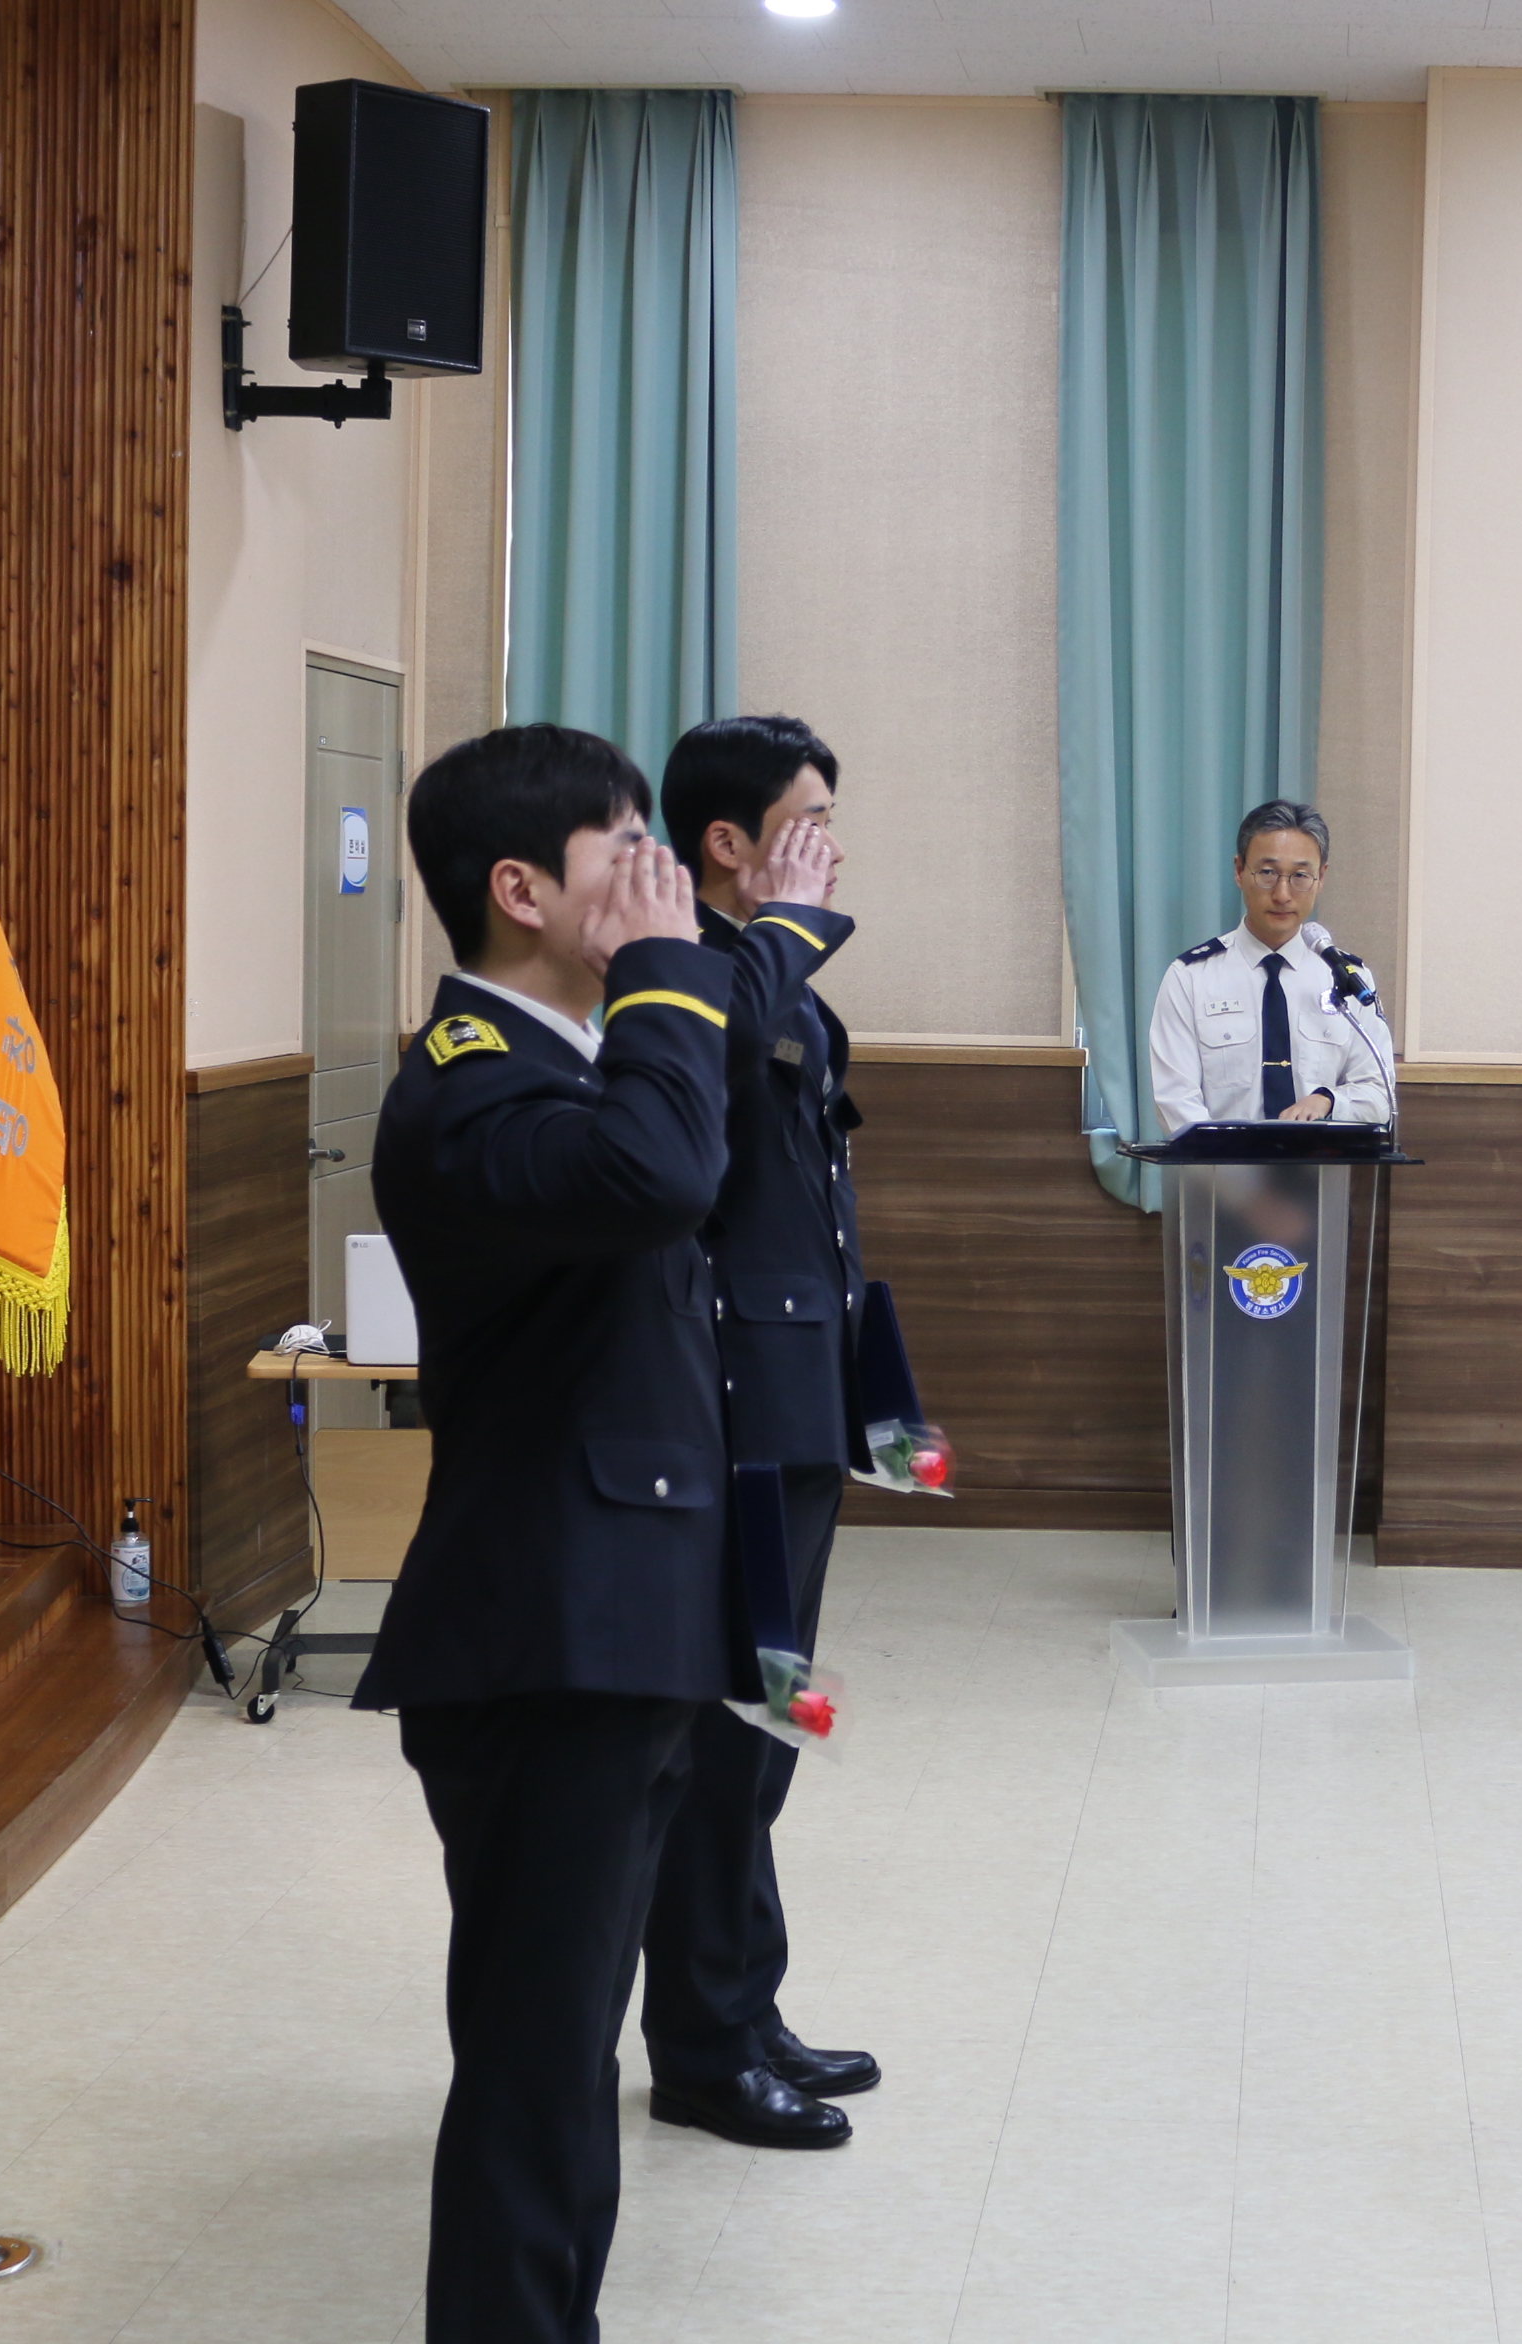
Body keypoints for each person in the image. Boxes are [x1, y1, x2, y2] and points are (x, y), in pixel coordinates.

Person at [355, 725, 741, 2344]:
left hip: (619, 1624)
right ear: (520, 890)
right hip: (542, 1642)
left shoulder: (574, 1055)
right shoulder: (467, 1088)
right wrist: (664, 974)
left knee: (572, 2047)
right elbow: (660, 1176)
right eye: (626, 853)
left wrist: (679, 971)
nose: (659, 884)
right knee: (532, 2065)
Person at [637, 714, 873, 2147]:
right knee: (729, 1735)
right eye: (808, 819)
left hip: (799, 1391)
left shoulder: (764, 965)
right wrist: (785, 929)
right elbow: (714, 1071)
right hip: (729, 1399)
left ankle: (746, 2003)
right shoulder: (688, 967)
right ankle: (702, 2049)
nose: (831, 846)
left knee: (768, 1726)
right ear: (727, 841)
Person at [1146, 798, 1392, 1134]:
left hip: (1321, 1164)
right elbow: (1175, 1101)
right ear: (1239, 871)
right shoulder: (1190, 977)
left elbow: (1379, 1094)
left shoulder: (1348, 979)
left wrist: (1328, 1100)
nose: (1282, 894)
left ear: (1321, 877)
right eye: (1267, 873)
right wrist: (1238, 1159)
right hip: (1221, 1165)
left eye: (1300, 875)